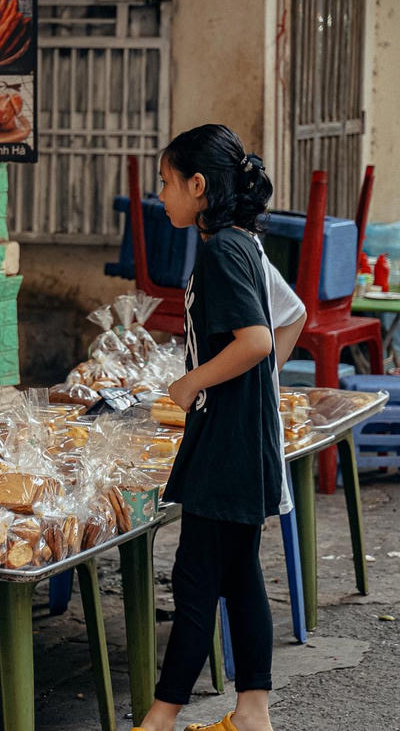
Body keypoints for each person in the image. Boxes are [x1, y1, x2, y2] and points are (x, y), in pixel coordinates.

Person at [134, 125, 303, 731]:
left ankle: (159, 719)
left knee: (196, 580)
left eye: (167, 183)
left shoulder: (222, 251)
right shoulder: (245, 243)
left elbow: (258, 339)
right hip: (240, 437)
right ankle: (252, 712)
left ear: (198, 186)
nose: (162, 195)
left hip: (227, 446)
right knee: (238, 574)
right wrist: (259, 388)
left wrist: (194, 382)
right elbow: (293, 315)